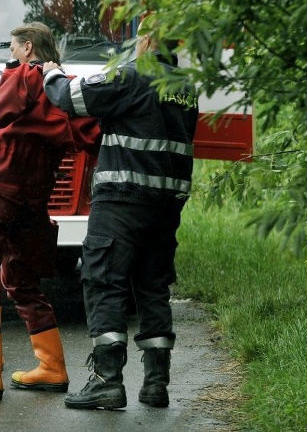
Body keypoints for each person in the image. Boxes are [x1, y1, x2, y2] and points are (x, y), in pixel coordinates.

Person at [0, 22, 100, 401]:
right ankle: (52, 367)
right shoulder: (67, 92)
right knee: (22, 279)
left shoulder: (27, 74)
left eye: (12, 49)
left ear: (28, 48)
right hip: (32, 200)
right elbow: (89, 136)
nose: (10, 57)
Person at [41, 25, 199, 410]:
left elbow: (70, 97)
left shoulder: (131, 74)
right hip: (166, 204)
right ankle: (156, 384)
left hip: (122, 200)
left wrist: (50, 72)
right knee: (152, 286)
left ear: (144, 41)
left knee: (104, 280)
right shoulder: (187, 89)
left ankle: (107, 381)